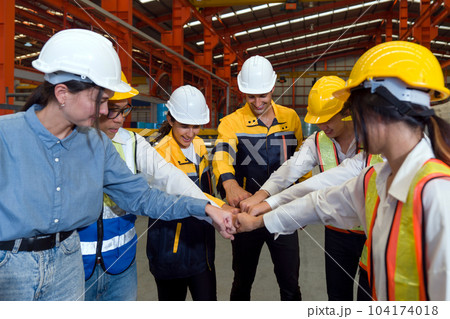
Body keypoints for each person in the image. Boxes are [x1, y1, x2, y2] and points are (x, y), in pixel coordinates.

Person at [0, 28, 233, 301]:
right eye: (99, 101)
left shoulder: (97, 144)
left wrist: (205, 207)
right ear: (62, 93)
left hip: (68, 263)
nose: (104, 112)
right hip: (11, 268)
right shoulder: (6, 136)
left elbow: (141, 196)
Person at [236, 41, 450, 301]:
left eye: (355, 112)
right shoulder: (375, 179)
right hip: (340, 239)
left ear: (377, 112)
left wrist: (264, 207)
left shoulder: (438, 194)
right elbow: (317, 201)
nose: (354, 122)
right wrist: (261, 214)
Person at [81, 75, 228, 301]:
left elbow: (171, 178)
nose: (119, 120)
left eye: (123, 111)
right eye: (112, 109)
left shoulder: (132, 143)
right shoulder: (70, 143)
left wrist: (215, 208)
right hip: (80, 263)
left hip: (122, 260)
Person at [239, 76, 382, 301]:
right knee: (337, 297)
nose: (322, 127)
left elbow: (323, 183)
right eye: (318, 121)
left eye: (328, 119)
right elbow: (290, 170)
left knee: (369, 298)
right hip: (337, 233)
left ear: (346, 111)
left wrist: (269, 205)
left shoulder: (373, 140)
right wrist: (261, 194)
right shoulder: (318, 141)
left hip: (372, 234)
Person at [212, 55, 304, 301]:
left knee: (290, 284)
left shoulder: (291, 119)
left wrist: (305, 203)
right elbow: (222, 156)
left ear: (273, 88)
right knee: (242, 282)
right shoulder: (231, 123)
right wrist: (229, 183)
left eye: (262, 95)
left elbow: (302, 163)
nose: (257, 102)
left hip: (282, 212)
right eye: (251, 96)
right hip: (246, 214)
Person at [147, 85, 227, 301]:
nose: (191, 133)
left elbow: (203, 190)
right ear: (170, 120)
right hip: (171, 247)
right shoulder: (159, 154)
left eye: (196, 126)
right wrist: (221, 209)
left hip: (201, 244)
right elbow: (172, 200)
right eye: (184, 126)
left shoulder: (200, 145)